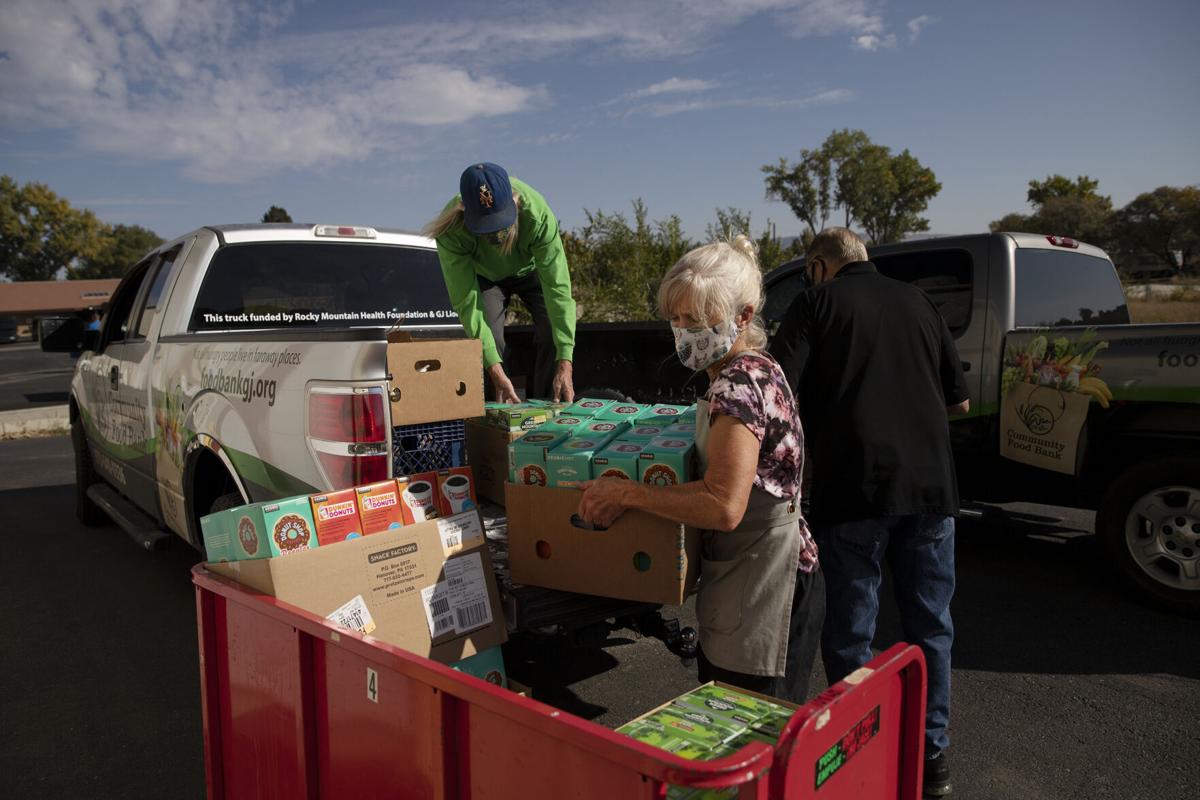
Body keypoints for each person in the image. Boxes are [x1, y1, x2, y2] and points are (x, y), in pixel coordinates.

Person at [578, 236, 823, 704]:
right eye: (676, 318)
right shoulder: (758, 367)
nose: (682, 331)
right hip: (768, 569)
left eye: (695, 320)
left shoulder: (737, 384)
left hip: (764, 584)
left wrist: (626, 494)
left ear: (743, 316)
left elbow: (724, 504)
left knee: (747, 726)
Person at [769, 227, 969, 797]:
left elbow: (776, 392)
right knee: (931, 626)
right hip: (931, 490)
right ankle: (933, 759)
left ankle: (859, 747)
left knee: (852, 631)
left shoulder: (816, 303)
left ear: (817, 267)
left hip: (855, 489)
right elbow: (959, 401)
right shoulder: (920, 301)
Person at [424, 163, 576, 402]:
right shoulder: (451, 231)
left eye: (500, 223)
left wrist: (566, 361)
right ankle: (500, 406)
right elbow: (466, 301)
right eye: (485, 228)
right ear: (463, 210)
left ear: (515, 201)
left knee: (552, 330)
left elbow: (558, 288)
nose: (495, 236)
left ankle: (551, 403)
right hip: (487, 278)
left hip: (531, 271)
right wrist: (494, 368)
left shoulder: (538, 214)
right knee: (490, 341)